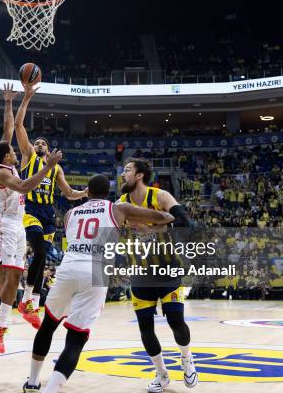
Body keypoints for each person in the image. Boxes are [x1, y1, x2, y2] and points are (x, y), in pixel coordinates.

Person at [23, 174, 174, 393]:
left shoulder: (70, 213)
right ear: (108, 193)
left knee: (48, 325)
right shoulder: (117, 208)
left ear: (88, 191)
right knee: (76, 338)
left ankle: (33, 382)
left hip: (68, 266)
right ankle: (51, 390)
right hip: (95, 269)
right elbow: (157, 216)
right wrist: (170, 215)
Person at [0, 83, 62, 354]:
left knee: (15, 276)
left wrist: (14, 101)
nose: (16, 152)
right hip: (3, 224)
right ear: (5, 157)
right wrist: (47, 167)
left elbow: (8, 129)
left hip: (17, 225)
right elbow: (25, 187)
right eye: (11, 152)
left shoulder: (7, 161)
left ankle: (0, 329)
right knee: (1, 276)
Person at [118, 158, 199, 392]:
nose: (123, 174)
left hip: (167, 269)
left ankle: (187, 360)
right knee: (145, 328)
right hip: (140, 272)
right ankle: (162, 373)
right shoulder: (120, 203)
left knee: (176, 321)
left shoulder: (160, 196)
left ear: (140, 175)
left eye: (127, 170)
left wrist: (153, 228)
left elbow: (185, 222)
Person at [14, 83, 88, 329]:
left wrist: (86, 192)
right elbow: (18, 126)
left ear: (49, 148)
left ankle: (32, 303)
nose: (39, 144)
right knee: (41, 252)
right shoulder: (28, 157)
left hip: (48, 215)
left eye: (43, 142)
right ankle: (27, 300)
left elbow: (68, 193)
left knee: (42, 258)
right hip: (31, 210)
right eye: (37, 142)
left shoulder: (56, 168)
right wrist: (26, 99)